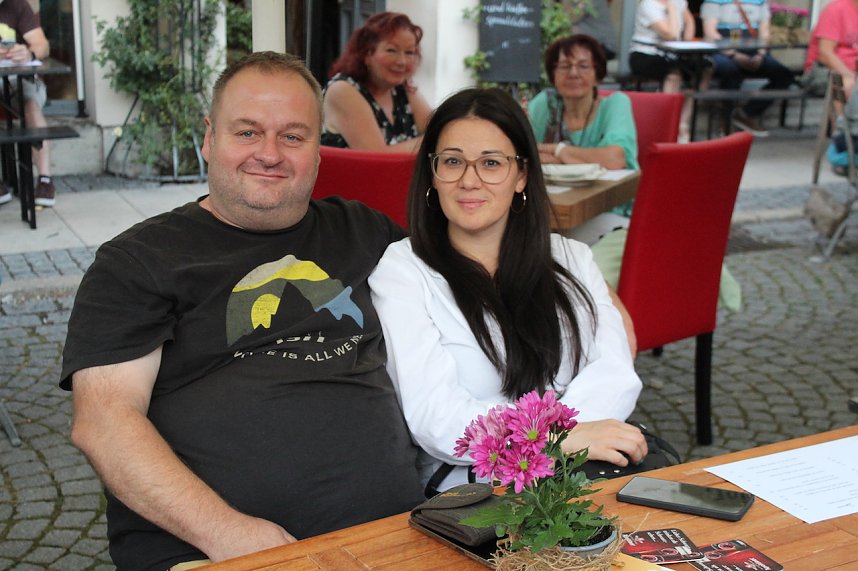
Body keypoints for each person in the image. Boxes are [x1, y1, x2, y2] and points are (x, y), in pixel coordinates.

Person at [61, 51, 424, 571]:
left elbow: (462, 300)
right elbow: (103, 422)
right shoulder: (138, 261)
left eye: (293, 136)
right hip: (210, 548)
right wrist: (230, 535)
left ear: (319, 150)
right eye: (247, 133)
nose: (269, 154)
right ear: (210, 138)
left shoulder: (364, 231)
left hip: (395, 535)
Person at [368, 87, 646, 494]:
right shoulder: (403, 270)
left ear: (522, 176)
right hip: (476, 493)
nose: (469, 179)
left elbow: (615, 371)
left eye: (491, 163)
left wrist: (569, 442)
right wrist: (557, 440)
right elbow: (436, 417)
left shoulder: (572, 258)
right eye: (452, 161)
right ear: (432, 174)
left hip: (582, 479)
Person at [528, 34, 638, 244]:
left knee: (555, 250)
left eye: (583, 66)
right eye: (564, 66)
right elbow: (521, 151)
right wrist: (587, 158)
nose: (573, 73)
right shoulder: (546, 104)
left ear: (598, 73)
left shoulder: (615, 104)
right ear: (553, 73)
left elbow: (615, 158)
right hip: (549, 213)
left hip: (611, 214)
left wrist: (559, 152)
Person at [321, 12, 431, 152]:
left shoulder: (402, 90)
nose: (401, 61)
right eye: (391, 50)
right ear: (367, 54)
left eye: (409, 53)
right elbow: (376, 157)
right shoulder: (342, 90)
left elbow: (442, 129)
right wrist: (432, 142)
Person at [701, 0, 794, 137]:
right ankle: (725, 121)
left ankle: (746, 113)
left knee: (784, 74)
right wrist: (734, 55)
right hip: (724, 51)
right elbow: (710, 33)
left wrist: (761, 54)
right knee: (730, 70)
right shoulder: (714, 2)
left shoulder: (760, 2)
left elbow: (764, 32)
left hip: (754, 51)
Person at [0, 0, 55, 206]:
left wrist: (28, 53)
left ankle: (45, 180)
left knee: (31, 105)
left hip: (18, 77)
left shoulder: (16, 5)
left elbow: (43, 45)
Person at [629, 0, 706, 142]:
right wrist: (671, 8)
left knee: (704, 68)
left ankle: (682, 123)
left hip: (673, 54)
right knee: (673, 74)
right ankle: (666, 122)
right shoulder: (648, 5)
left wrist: (687, 42)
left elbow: (689, 21)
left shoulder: (679, 2)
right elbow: (670, 34)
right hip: (646, 54)